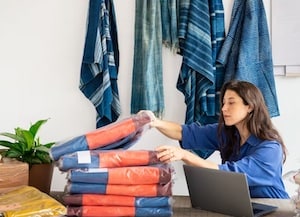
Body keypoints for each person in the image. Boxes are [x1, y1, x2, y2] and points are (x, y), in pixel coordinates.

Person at [144, 80, 289, 199]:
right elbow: (185, 132)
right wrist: (154, 121)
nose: (224, 109)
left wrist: (184, 155)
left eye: (231, 103)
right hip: (244, 207)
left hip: (277, 210)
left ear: (250, 106)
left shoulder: (270, 149)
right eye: (224, 103)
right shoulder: (227, 134)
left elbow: (231, 174)